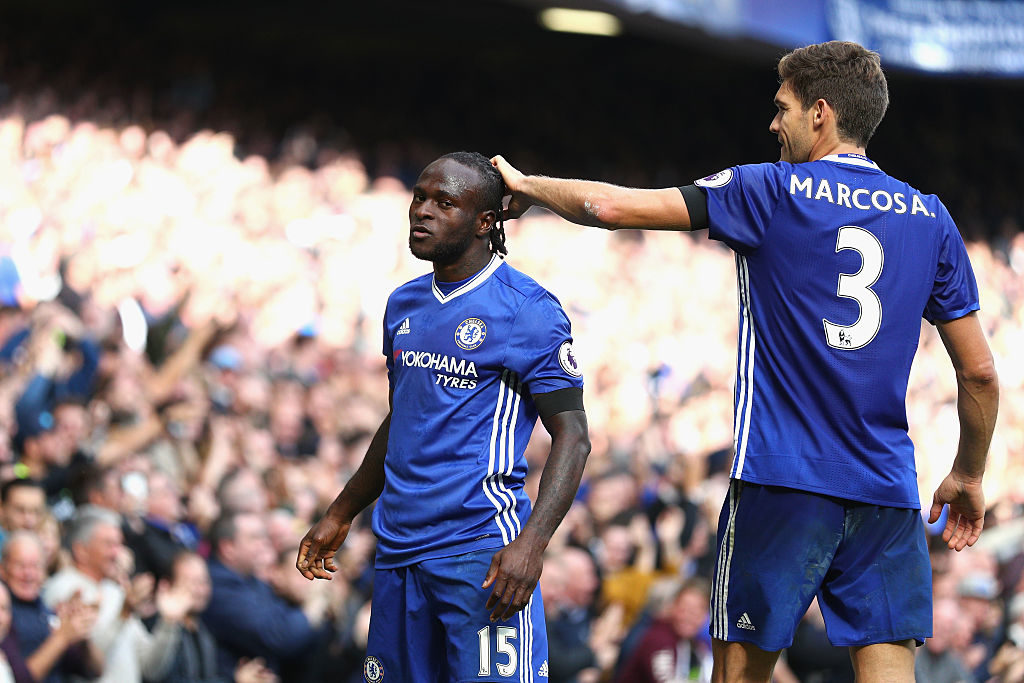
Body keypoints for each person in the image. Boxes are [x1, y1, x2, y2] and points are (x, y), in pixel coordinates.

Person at [491, 40, 998, 683]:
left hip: (779, 481)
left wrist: (530, 187)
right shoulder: (933, 217)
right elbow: (979, 371)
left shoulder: (769, 190)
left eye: (781, 108)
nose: (772, 124)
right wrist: (969, 473)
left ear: (821, 113)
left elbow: (615, 208)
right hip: (886, 490)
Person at [296, 151, 591, 683]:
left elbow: (573, 436)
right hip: (398, 551)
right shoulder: (403, 304)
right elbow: (404, 418)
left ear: (485, 222)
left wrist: (531, 544)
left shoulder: (528, 311)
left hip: (480, 553)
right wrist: (342, 511)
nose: (423, 212)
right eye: (420, 197)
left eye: (445, 202)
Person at [614, 577, 713, 683]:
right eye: (684, 609)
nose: (689, 617)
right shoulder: (658, 639)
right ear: (672, 607)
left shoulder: (695, 649)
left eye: (696, 612)